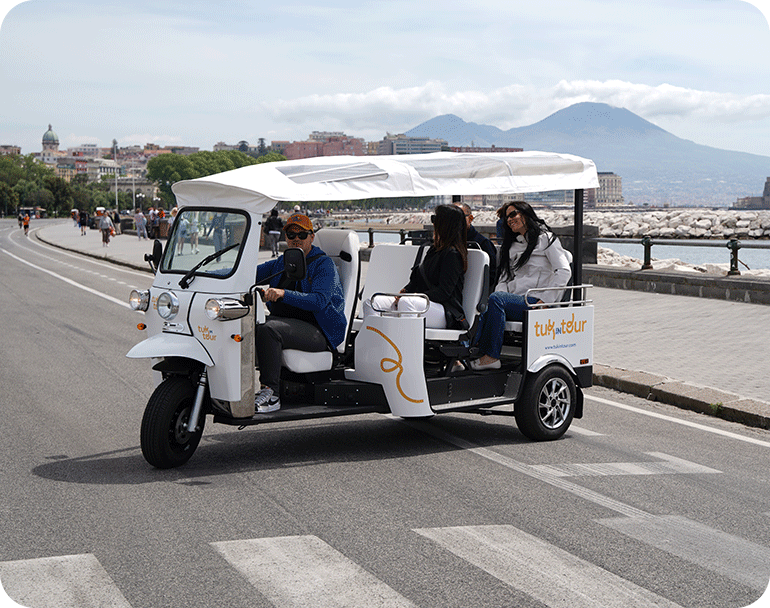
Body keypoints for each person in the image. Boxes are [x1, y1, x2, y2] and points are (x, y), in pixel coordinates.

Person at [253, 213, 346, 413]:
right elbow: (249, 274)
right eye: (291, 234)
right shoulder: (281, 263)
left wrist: (283, 293)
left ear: (311, 237)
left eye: (302, 234)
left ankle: (271, 394)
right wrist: (209, 274)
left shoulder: (323, 264)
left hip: (319, 331)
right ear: (285, 237)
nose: (296, 239)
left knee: (269, 330)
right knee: (243, 323)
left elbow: (319, 301)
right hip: (289, 325)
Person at [470, 201, 572, 371]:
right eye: (506, 217)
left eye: (513, 214)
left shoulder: (546, 239)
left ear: (526, 214)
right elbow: (504, 278)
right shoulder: (511, 245)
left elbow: (563, 271)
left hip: (535, 301)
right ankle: (471, 350)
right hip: (515, 300)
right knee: (483, 305)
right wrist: (500, 297)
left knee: (495, 299)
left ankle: (491, 356)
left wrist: (545, 300)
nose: (509, 220)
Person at [365, 204, 467, 329]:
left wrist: (412, 295)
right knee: (372, 303)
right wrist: (406, 291)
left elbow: (444, 293)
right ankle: (377, 342)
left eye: (435, 219)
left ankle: (405, 346)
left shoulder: (452, 255)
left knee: (406, 303)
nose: (433, 223)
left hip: (445, 310)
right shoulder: (434, 250)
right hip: (422, 301)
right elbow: (418, 279)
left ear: (444, 224)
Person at [453, 197, 497, 290]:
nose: (453, 221)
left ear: (471, 218)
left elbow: (490, 276)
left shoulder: (482, 244)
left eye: (459, 217)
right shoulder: (444, 243)